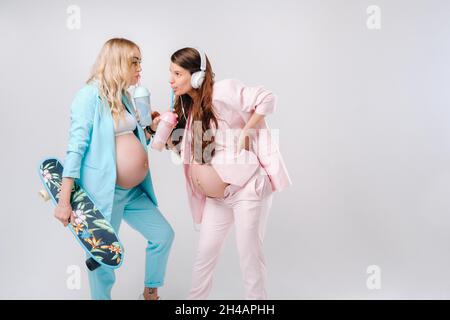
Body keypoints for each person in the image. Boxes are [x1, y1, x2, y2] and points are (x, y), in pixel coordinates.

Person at [162, 47, 291, 299]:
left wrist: (247, 131)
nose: (171, 79)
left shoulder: (224, 90)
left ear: (197, 76)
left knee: (249, 256)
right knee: (205, 255)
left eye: (177, 74)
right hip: (217, 199)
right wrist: (166, 136)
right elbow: (192, 153)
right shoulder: (190, 107)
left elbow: (267, 98)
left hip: (246, 190)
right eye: (170, 73)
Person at [54, 38, 174, 300]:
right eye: (135, 62)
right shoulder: (88, 96)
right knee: (101, 258)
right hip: (105, 194)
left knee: (163, 235)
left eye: (140, 62)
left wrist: (150, 124)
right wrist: (64, 201)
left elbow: (132, 133)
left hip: (132, 193)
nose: (140, 68)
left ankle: (150, 292)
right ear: (118, 63)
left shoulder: (124, 96)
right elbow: (76, 148)